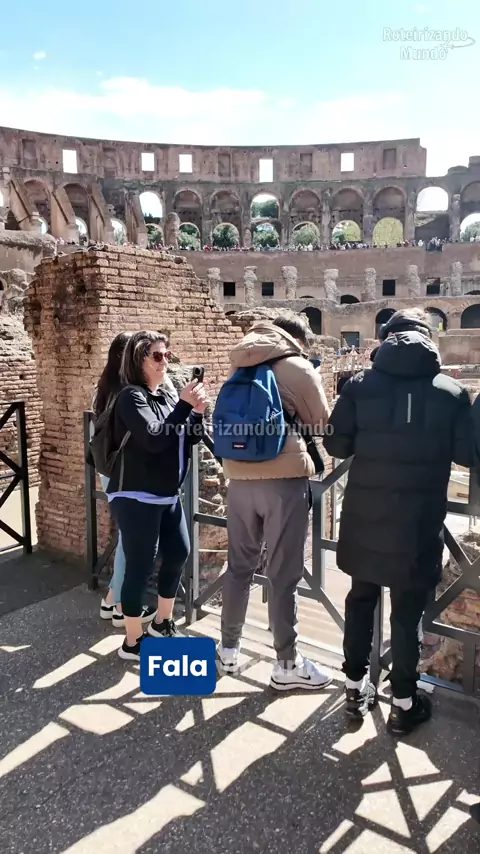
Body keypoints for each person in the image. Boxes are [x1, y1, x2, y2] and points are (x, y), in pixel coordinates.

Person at [323, 309, 474, 735]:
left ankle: (355, 690)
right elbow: (466, 455)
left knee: (360, 601)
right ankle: (403, 705)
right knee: (408, 614)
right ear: (430, 341)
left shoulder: (359, 385)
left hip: (365, 519)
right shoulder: (452, 392)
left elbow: (336, 445)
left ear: (385, 339)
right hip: (417, 523)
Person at [217, 313, 333, 690]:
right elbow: (321, 424)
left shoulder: (239, 362)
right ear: (298, 339)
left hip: (238, 479)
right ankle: (286, 663)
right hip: (283, 482)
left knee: (239, 568)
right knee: (283, 574)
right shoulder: (297, 366)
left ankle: (228, 650)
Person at [105, 330, 208, 661]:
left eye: (168, 355)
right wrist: (183, 405)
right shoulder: (130, 397)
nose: (165, 361)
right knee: (140, 565)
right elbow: (153, 438)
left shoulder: (165, 396)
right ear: (139, 360)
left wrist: (196, 413)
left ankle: (162, 622)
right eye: (158, 356)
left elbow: (188, 438)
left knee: (179, 552)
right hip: (136, 495)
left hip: (166, 493)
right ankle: (132, 642)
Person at [93, 332, 156, 628]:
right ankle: (120, 606)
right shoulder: (129, 392)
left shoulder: (103, 387)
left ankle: (111, 600)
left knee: (127, 537)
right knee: (131, 540)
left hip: (107, 469)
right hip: (125, 472)